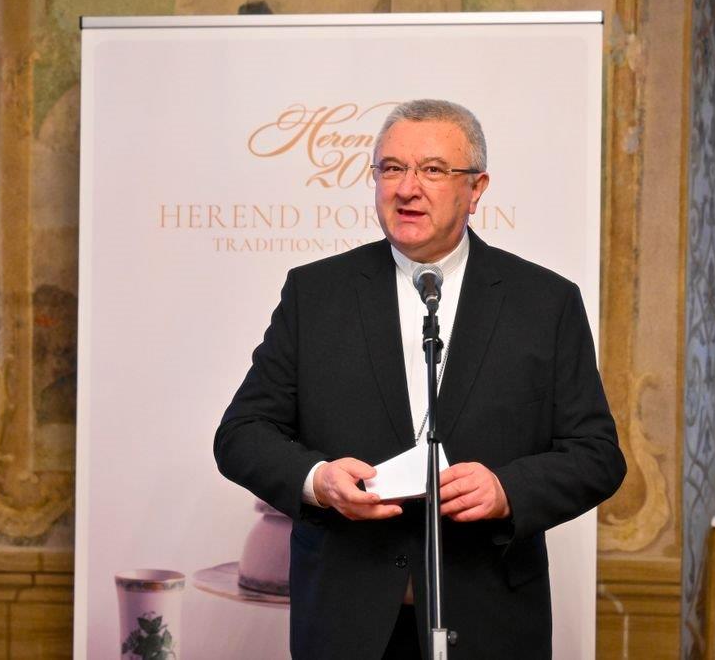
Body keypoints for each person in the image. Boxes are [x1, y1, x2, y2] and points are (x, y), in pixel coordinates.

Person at [214, 99, 626, 659]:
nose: (407, 188)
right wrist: (318, 480)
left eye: (432, 170)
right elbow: (242, 434)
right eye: (391, 168)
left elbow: (597, 455)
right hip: (347, 623)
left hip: (490, 621)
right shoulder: (317, 295)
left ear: (476, 188)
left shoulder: (544, 303)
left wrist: (507, 489)